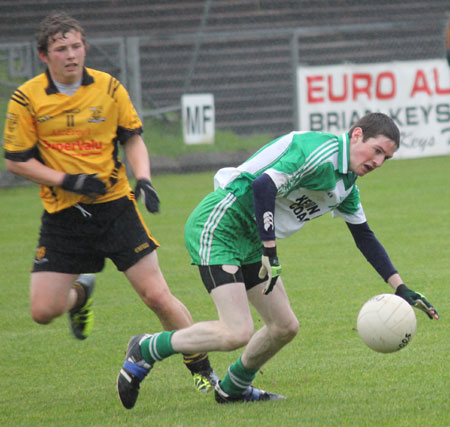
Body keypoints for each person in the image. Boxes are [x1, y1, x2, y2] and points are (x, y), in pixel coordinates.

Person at [116, 112, 439, 409]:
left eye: (388, 158)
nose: (380, 162)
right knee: (236, 331)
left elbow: (364, 236)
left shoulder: (345, 184)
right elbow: (263, 185)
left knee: (284, 327)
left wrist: (400, 288)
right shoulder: (319, 152)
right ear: (357, 135)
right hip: (221, 225)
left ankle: (233, 388)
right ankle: (145, 349)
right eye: (378, 151)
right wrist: (269, 249)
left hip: (252, 240)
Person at [3, 12, 217, 393]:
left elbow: (132, 137)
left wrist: (145, 179)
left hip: (115, 206)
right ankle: (81, 294)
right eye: (60, 49)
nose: (71, 55)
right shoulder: (27, 98)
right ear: (43, 55)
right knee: (42, 312)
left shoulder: (109, 87)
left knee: (157, 296)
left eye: (76, 46)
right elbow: (17, 161)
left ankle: (203, 371)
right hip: (63, 215)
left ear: (85, 47)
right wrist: (67, 180)